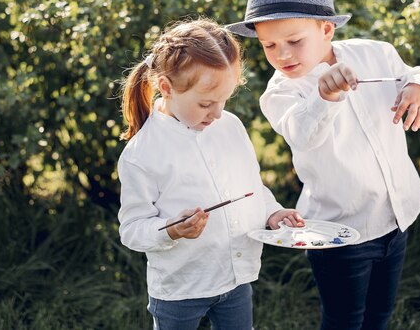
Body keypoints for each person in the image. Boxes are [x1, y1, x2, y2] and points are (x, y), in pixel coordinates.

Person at [226, 0, 420, 330]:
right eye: (269, 46)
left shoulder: (375, 54)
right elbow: (302, 134)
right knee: (344, 320)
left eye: (294, 41)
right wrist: (324, 96)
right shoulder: (281, 92)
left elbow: (418, 74)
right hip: (338, 233)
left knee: (380, 315)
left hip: (397, 216)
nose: (282, 54)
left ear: (326, 29)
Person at [117, 18, 304, 330]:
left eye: (225, 99)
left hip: (235, 278)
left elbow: (250, 187)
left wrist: (272, 212)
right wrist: (170, 229)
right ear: (166, 88)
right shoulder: (142, 154)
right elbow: (132, 230)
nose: (218, 113)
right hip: (180, 290)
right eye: (206, 103)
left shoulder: (229, 125)